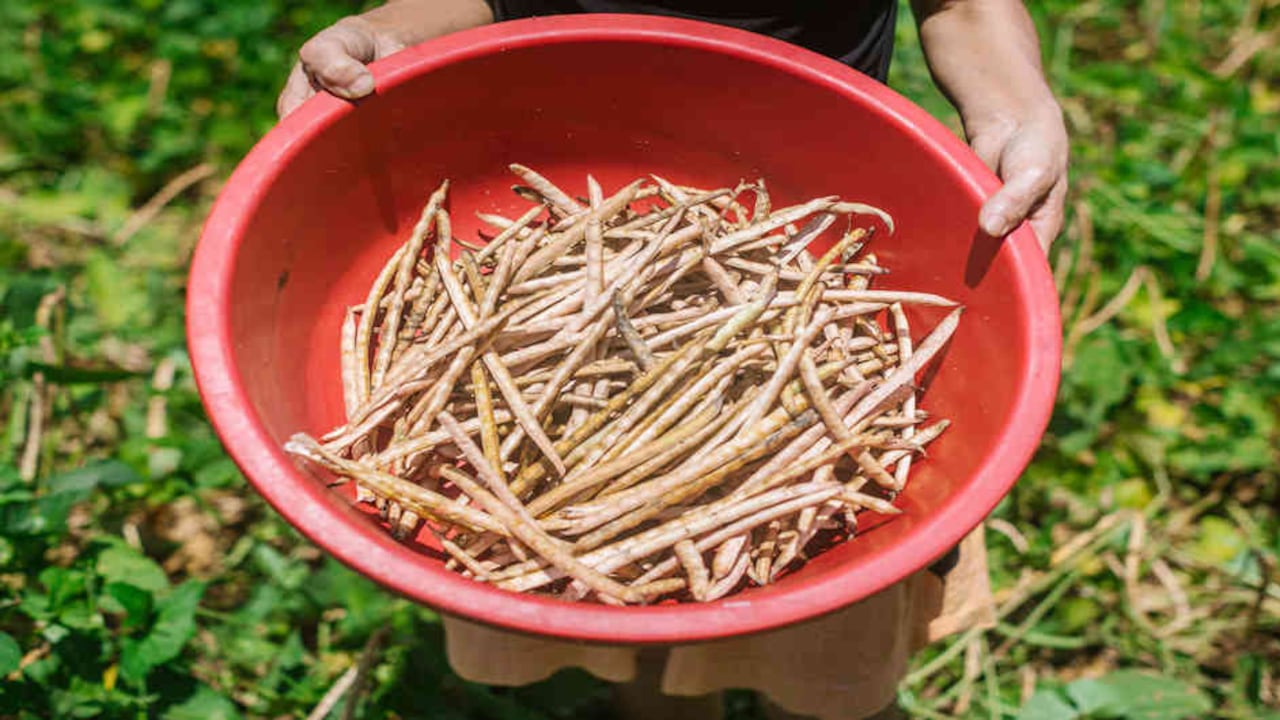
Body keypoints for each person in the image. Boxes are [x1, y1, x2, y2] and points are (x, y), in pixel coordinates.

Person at [277, 2, 1067, 718]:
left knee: (818, 637)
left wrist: (1014, 102)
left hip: (807, 225)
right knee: (606, 605)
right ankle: (653, 702)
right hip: (560, 204)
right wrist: (392, 35)